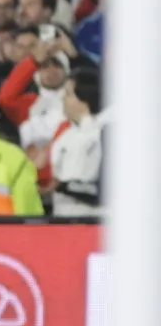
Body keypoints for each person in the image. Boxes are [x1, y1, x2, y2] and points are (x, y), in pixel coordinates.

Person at [50, 68, 103, 216]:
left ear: (84, 101)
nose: (63, 99)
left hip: (93, 224)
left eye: (68, 94)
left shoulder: (101, 136)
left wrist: (63, 186)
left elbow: (104, 190)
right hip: (62, 223)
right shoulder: (64, 136)